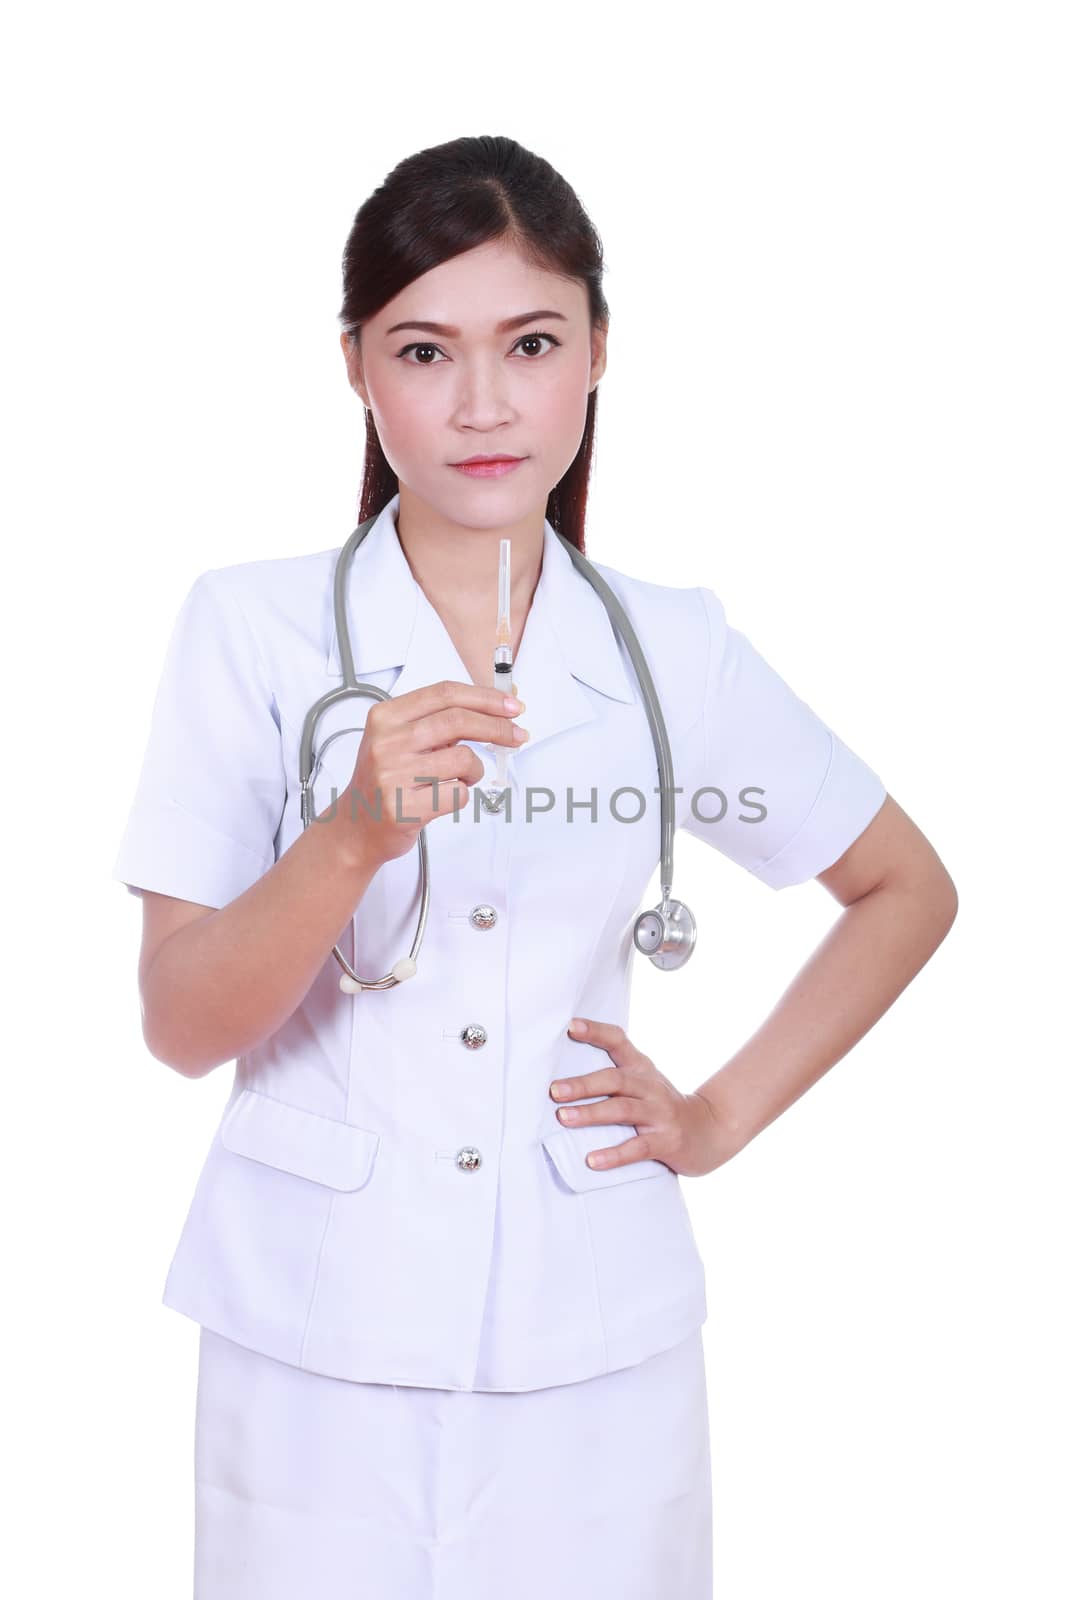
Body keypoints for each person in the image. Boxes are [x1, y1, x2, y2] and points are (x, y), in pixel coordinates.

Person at [112, 134, 958, 1599]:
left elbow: (904, 890)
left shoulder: (669, 647)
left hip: (595, 1349)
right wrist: (351, 834)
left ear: (598, 354)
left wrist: (714, 1117)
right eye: (426, 350)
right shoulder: (249, 631)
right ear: (357, 369)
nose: (484, 404)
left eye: (533, 342)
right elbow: (180, 1027)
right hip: (317, 1346)